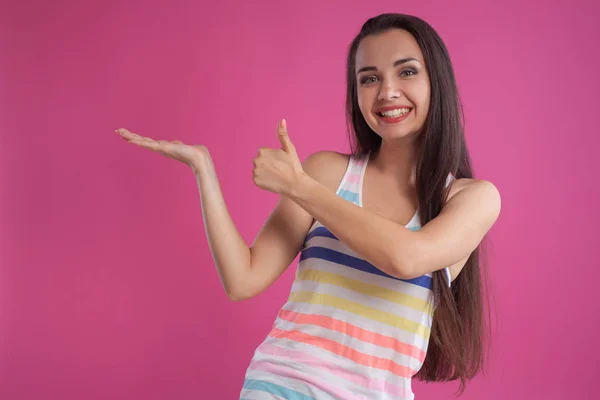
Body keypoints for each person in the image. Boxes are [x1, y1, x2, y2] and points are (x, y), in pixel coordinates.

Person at [115, 12, 501, 400]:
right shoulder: (328, 172)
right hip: (279, 385)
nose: (386, 91)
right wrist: (203, 169)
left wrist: (300, 187)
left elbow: (406, 257)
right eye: (369, 78)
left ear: (438, 81)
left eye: (406, 72)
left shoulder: (471, 199)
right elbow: (243, 279)